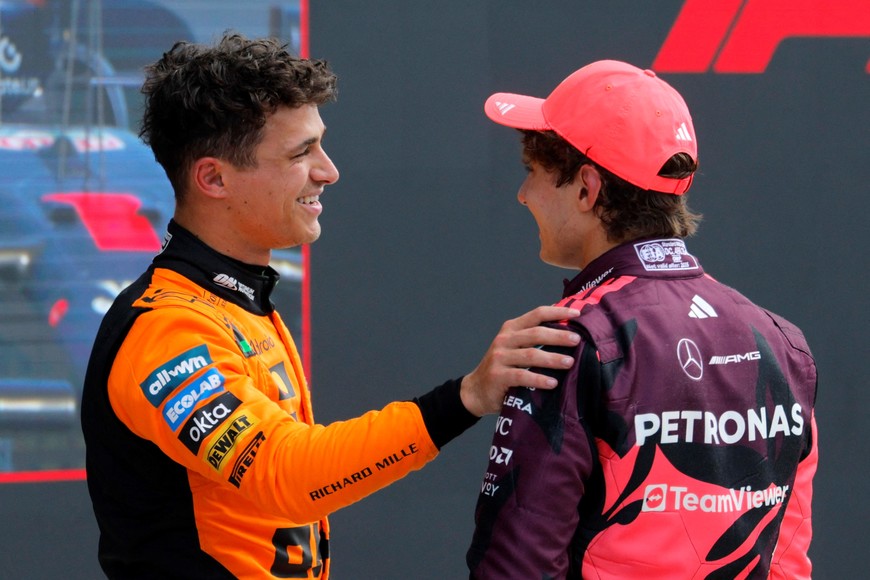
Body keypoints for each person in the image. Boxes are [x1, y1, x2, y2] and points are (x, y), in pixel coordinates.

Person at [79, 33, 582, 579]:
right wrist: (464, 398)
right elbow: (290, 477)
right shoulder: (166, 329)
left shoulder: (236, 300)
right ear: (214, 178)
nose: (328, 170)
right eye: (301, 153)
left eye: (320, 144)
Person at [466, 60, 818, 578]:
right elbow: (786, 562)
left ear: (587, 188)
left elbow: (515, 566)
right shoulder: (784, 343)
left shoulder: (564, 344)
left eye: (532, 174)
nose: (523, 195)